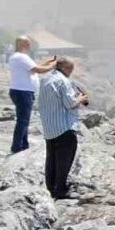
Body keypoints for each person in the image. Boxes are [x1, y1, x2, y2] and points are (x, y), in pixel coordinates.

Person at [38, 57, 89, 199]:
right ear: (65, 68)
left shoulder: (45, 80)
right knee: (64, 160)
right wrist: (81, 98)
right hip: (64, 126)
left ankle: (51, 188)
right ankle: (61, 189)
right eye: (71, 69)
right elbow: (70, 103)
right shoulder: (63, 81)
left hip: (50, 126)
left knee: (52, 159)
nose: (71, 72)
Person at [8, 36, 57, 153]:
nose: (29, 46)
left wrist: (47, 63)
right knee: (23, 121)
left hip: (22, 91)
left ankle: (24, 145)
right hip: (23, 92)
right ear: (21, 45)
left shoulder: (18, 57)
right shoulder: (21, 57)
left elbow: (33, 68)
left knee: (23, 120)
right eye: (27, 44)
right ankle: (16, 147)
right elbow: (38, 70)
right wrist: (53, 65)